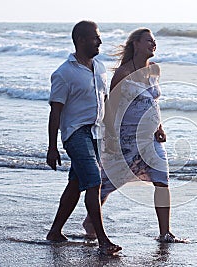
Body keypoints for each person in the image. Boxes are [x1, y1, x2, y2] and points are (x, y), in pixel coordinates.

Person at [82, 28, 185, 243]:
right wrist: (110, 139)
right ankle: (91, 221)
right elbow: (111, 107)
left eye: (154, 41)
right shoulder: (123, 73)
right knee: (108, 183)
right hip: (126, 139)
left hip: (150, 140)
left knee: (162, 181)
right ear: (135, 44)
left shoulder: (154, 70)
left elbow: (153, 102)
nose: (153, 44)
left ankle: (165, 232)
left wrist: (159, 127)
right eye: (148, 41)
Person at [46, 20, 122, 255]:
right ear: (81, 40)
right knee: (94, 181)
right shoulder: (64, 73)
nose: (100, 41)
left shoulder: (99, 67)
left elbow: (105, 102)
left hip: (96, 133)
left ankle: (55, 232)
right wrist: (52, 147)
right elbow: (55, 111)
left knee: (76, 184)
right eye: (95, 37)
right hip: (75, 133)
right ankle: (103, 240)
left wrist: (110, 133)